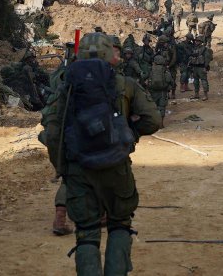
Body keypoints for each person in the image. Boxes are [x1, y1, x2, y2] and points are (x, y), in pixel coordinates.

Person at [45, 32, 161, 275]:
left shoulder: (66, 85)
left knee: (86, 232)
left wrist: (61, 166)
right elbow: (153, 120)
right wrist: (128, 136)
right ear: (111, 54)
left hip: (79, 168)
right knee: (119, 225)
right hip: (116, 166)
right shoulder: (125, 84)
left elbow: (53, 130)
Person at [42, 42, 75, 236]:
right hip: (76, 134)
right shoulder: (94, 75)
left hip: (59, 133)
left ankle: (60, 217)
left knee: (69, 175)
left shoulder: (62, 77)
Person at [147, 54, 174, 123]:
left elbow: (147, 78)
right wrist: (170, 86)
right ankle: (161, 123)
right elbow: (170, 79)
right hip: (163, 91)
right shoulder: (165, 69)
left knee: (154, 106)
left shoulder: (151, 69)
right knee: (162, 107)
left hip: (153, 91)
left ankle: (155, 121)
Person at [189, 36, 213, 100]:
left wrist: (205, 67)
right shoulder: (194, 48)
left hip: (201, 67)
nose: (196, 42)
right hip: (195, 67)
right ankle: (196, 94)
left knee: (204, 81)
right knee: (195, 82)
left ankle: (205, 95)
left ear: (201, 42)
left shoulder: (205, 49)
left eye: (198, 41)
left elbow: (207, 59)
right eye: (196, 41)